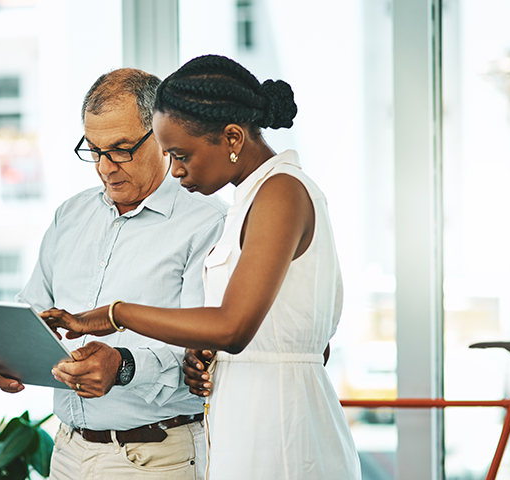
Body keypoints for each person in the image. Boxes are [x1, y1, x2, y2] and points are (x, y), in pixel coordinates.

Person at [44, 55, 362, 479]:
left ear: (232, 137)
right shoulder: (249, 201)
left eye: (181, 154)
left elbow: (233, 327)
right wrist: (203, 359)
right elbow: (270, 328)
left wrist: (114, 314)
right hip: (242, 412)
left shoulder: (281, 191)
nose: (175, 170)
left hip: (279, 422)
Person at [0, 68, 228, 480]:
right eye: (94, 150)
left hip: (155, 458)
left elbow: (206, 352)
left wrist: (124, 366)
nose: (105, 167)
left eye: (121, 149)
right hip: (68, 451)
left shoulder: (207, 224)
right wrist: (7, 351)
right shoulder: (71, 215)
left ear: (162, 136)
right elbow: (35, 310)